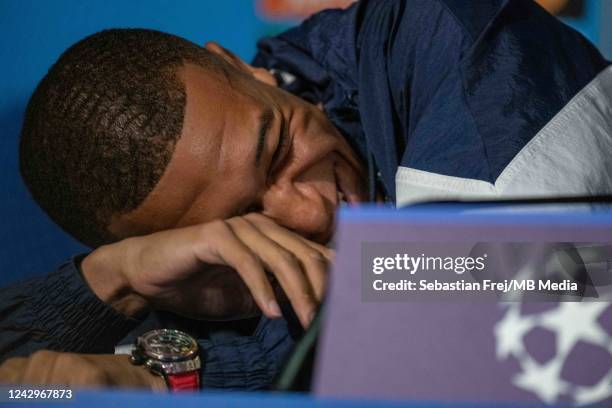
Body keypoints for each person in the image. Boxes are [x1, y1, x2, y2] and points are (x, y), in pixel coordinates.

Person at [1, 0, 611, 390]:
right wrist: (115, 282)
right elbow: (22, 384)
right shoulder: (185, 260)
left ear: (242, 69)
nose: (309, 212)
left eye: (278, 148)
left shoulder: (452, 35)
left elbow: (535, 300)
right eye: (243, 220)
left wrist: (174, 376)